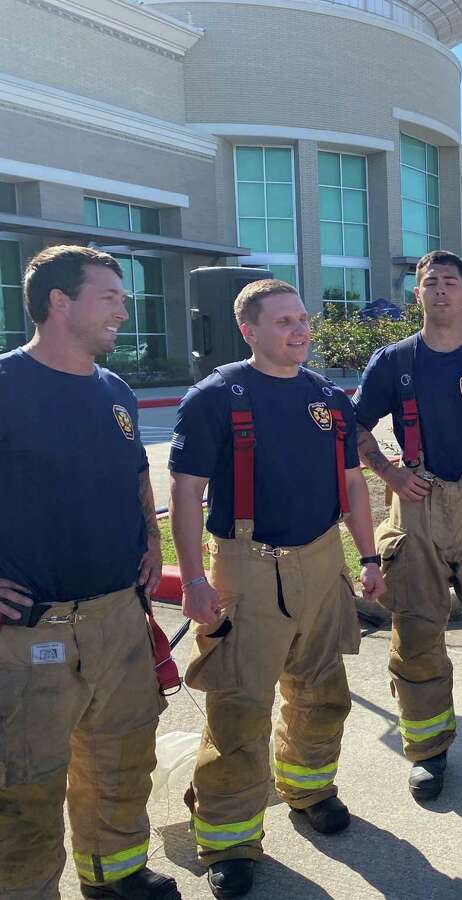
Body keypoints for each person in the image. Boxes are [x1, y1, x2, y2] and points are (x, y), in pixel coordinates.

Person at [169, 279, 385, 899]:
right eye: (284, 321)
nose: (300, 330)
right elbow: (185, 492)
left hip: (322, 560)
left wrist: (368, 557)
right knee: (238, 705)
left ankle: (310, 787)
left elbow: (352, 484)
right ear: (249, 330)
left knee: (321, 690)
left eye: (302, 319)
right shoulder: (215, 396)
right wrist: (194, 580)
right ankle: (230, 837)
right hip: (246, 563)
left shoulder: (326, 397)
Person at [0, 246, 180, 900]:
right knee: (24, 785)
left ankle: (114, 875)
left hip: (117, 621)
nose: (124, 310)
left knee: (122, 757)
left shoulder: (114, 389)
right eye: (110, 296)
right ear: (59, 301)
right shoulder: (6, 384)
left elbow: (137, 472)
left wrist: (150, 542)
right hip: (29, 635)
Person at [353, 250, 462, 801]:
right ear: (418, 296)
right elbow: (352, 432)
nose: (443, 292)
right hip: (417, 508)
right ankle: (428, 751)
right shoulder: (392, 362)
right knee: (417, 634)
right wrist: (389, 472)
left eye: (452, 283)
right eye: (432, 284)